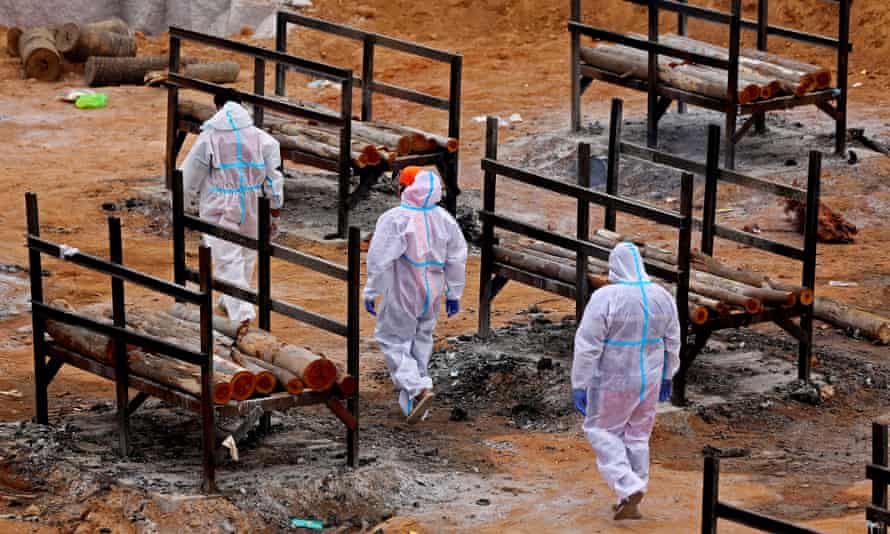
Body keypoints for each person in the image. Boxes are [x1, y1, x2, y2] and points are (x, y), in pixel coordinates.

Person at [571, 241, 681, 520]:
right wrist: (669, 374)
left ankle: (628, 485)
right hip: (650, 379)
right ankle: (632, 495)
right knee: (637, 435)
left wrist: (580, 382)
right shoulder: (662, 295)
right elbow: (673, 339)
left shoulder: (607, 297)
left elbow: (588, 343)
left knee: (602, 431)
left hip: (614, 378)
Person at [364, 166, 468, 423]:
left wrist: (372, 289)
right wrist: (453, 293)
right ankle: (413, 402)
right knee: (421, 340)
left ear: (405, 188)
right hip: (431, 289)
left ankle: (416, 388)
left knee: (393, 340)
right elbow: (457, 257)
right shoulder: (444, 218)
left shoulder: (396, 218)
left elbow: (380, 258)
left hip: (404, 287)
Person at [182, 93, 284, 324]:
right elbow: (274, 180)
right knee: (247, 256)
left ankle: (243, 316)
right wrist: (274, 211)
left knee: (228, 261)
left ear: (217, 106)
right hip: (253, 203)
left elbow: (189, 175)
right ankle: (230, 302)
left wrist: (181, 204)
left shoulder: (209, 137)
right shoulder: (262, 138)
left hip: (220, 204)